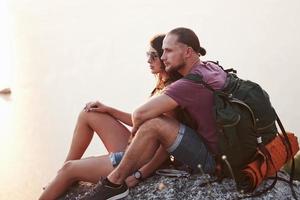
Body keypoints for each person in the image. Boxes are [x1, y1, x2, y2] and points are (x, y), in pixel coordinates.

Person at [81, 27, 228, 200]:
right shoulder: (210, 67)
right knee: (156, 119)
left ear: (188, 52)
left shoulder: (188, 84)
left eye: (168, 51)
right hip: (223, 150)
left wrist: (134, 135)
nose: (163, 56)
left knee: (154, 123)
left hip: (213, 160)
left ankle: (114, 183)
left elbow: (140, 113)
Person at [38, 34, 188, 200]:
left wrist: (140, 174)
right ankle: (61, 177)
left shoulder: (170, 94)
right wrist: (108, 110)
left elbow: (167, 145)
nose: (148, 60)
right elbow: (144, 122)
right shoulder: (163, 85)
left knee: (69, 169)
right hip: (134, 146)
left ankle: (63, 176)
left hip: (133, 161)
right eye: (148, 55)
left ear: (165, 57)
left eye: (153, 56)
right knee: (89, 113)